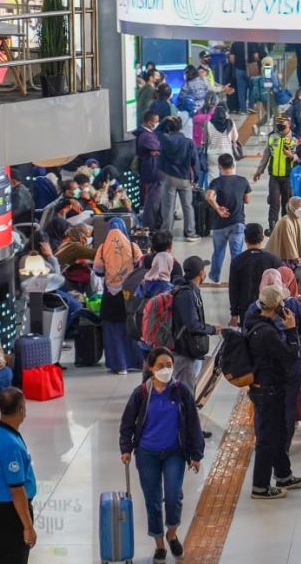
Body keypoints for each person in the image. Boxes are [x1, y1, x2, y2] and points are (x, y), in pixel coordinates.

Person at [118, 346, 205, 563]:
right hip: (147, 454)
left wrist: (196, 453)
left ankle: (172, 533)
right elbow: (127, 423)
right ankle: (159, 544)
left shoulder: (181, 391)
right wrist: (126, 449)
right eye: (160, 366)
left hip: (174, 452)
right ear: (150, 367)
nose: (166, 370)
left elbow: (193, 423)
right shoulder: (141, 393)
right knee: (153, 500)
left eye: (169, 365)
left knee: (174, 496)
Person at [245, 285, 301, 499]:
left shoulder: (254, 321)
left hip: (270, 388)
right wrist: (291, 330)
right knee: (267, 438)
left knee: (279, 432)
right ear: (276, 306)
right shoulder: (267, 334)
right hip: (268, 390)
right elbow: (289, 356)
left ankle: (283, 475)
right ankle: (260, 487)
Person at [246, 269, 301, 452]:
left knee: (262, 406)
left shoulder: (253, 308)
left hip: (263, 367)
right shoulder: (291, 304)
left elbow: (246, 331)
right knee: (288, 405)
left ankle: (262, 443)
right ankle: (283, 447)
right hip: (290, 365)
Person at [0, 388, 37, 563]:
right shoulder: (10, 446)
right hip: (10, 514)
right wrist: (28, 526)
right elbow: (17, 491)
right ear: (21, 409)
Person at [94, 218, 144, 373]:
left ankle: (119, 364)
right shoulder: (132, 246)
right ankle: (136, 362)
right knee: (131, 327)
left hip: (110, 295)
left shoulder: (102, 248)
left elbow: (97, 271)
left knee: (113, 330)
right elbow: (141, 267)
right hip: (129, 295)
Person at [171, 256, 221, 386]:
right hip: (185, 351)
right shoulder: (186, 294)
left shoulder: (187, 289)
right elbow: (192, 324)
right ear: (200, 273)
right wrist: (212, 329)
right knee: (185, 388)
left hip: (185, 349)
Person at [205, 153, 251, 285]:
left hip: (220, 224)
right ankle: (237, 279)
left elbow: (209, 197)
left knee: (218, 252)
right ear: (233, 165)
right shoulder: (242, 181)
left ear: (219, 166)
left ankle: (215, 278)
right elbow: (247, 200)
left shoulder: (216, 182)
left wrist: (218, 208)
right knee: (236, 253)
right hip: (238, 223)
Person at [228, 223, 280, 326]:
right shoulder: (274, 260)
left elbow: (233, 289)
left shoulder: (237, 262)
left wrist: (234, 314)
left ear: (245, 240)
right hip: (270, 308)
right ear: (262, 239)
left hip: (246, 310)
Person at [157, 116, 199, 241]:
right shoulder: (189, 142)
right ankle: (190, 233)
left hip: (168, 177)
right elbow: (195, 161)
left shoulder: (166, 140)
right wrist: (196, 177)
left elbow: (157, 132)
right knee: (187, 206)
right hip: (184, 178)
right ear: (181, 127)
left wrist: (165, 120)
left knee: (168, 207)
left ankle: (166, 233)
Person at [254, 116, 298, 234]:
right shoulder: (272, 136)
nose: (279, 126)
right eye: (277, 123)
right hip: (274, 176)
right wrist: (259, 170)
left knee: (286, 203)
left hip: (288, 176)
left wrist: (291, 156)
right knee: (274, 202)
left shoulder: (295, 138)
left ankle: (285, 228)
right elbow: (266, 155)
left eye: (281, 123)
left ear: (288, 123)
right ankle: (273, 228)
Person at [134, 110, 164, 227]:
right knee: (152, 200)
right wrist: (159, 150)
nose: (157, 124)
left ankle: (155, 222)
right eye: (156, 122)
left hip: (153, 170)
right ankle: (149, 224)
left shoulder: (148, 133)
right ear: (149, 122)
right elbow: (159, 147)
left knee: (155, 199)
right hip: (152, 171)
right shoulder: (145, 136)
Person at [267, 195, 301, 265]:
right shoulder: (286, 221)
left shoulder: (300, 219)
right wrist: (297, 259)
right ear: (292, 207)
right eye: (299, 207)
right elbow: (289, 245)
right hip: (282, 258)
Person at [205, 105, 238, 183]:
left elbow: (205, 141)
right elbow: (235, 138)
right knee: (230, 179)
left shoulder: (208, 124)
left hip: (213, 155)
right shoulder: (230, 123)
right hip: (227, 154)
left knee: (213, 180)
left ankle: (213, 194)